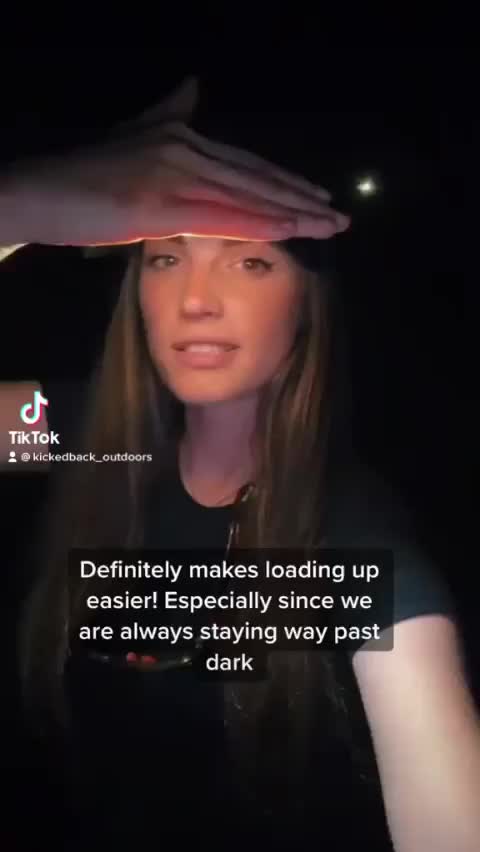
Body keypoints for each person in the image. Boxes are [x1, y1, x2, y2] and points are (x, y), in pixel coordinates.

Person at [2, 78, 479, 852]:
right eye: (166, 257)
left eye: (250, 263)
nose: (195, 299)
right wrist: (17, 207)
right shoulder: (84, 431)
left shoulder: (350, 535)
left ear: (306, 303)